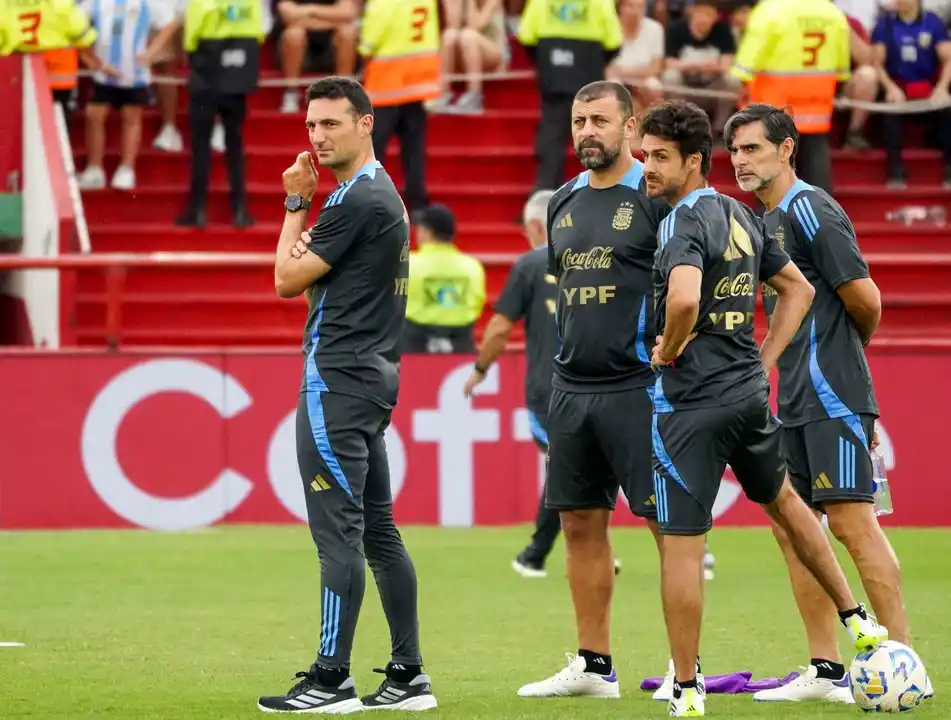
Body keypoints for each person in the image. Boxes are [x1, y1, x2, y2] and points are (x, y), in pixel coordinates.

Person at [640, 99, 887, 717]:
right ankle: (856, 619)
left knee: (682, 543)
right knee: (786, 505)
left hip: (689, 403)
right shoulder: (740, 215)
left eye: (659, 157)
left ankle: (687, 690)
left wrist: (668, 349)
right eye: (644, 156)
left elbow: (684, 300)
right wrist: (763, 359)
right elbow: (796, 288)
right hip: (748, 397)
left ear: (692, 162)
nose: (647, 168)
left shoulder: (679, 223)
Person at [724, 103, 933, 704]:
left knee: (850, 523)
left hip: (831, 393)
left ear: (787, 148)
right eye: (734, 151)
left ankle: (903, 664)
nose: (740, 161)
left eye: (752, 148)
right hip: (791, 398)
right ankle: (825, 669)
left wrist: (841, 355)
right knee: (793, 530)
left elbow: (866, 299)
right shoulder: (762, 221)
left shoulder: (811, 209)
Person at [261, 76, 437, 714]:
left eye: (332, 123)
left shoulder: (354, 200)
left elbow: (286, 279)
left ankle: (331, 679)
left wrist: (294, 204)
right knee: (379, 533)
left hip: (335, 381)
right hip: (370, 378)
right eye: (312, 125)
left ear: (366, 124)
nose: (318, 136)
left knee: (338, 535)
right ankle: (408, 674)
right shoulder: (379, 193)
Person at [515, 80, 671, 700]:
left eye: (600, 120)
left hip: (640, 385)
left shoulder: (655, 197)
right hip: (572, 388)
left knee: (667, 526)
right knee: (579, 523)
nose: (587, 131)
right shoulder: (564, 200)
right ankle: (594, 665)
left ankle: (684, 666)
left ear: (630, 127)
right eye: (580, 120)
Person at [731, 0, 851, 193]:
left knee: (773, 162)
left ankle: (772, 210)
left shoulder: (769, 10)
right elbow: (842, 69)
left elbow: (744, 66)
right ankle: (821, 209)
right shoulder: (833, 13)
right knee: (816, 160)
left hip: (776, 102)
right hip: (816, 103)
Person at [516, 0, 622, 195]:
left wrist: (544, 61)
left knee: (552, 131)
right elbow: (614, 42)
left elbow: (526, 36)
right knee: (594, 131)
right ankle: (600, 191)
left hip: (552, 64)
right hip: (588, 66)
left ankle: (544, 191)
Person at [176, 0, 265, 229]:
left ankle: (197, 210)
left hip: (207, 71)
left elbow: (191, 37)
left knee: (201, 144)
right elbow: (260, 32)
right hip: (238, 74)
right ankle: (240, 210)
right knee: (235, 142)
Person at [360, 0, 441, 212]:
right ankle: (418, 204)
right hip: (417, 86)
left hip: (386, 87)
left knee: (373, 151)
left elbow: (367, 46)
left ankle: (370, 201)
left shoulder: (382, 3)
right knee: (414, 150)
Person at [402, 204, 486, 353]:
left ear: (427, 232)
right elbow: (477, 303)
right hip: (461, 345)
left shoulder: (408, 264)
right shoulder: (472, 266)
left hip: (415, 347)